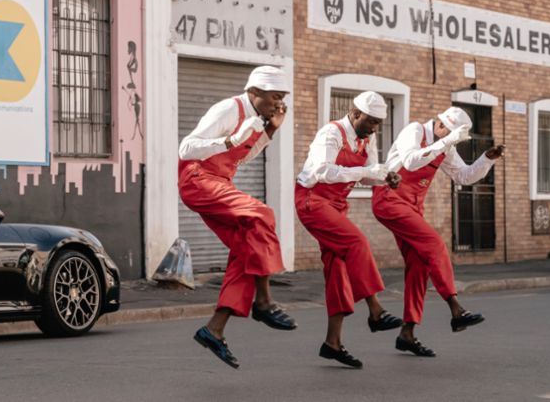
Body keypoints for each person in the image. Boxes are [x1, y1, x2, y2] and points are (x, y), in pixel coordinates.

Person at [179, 66, 296, 370]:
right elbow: (186, 148)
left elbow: (243, 156)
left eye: (282, 98)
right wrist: (229, 141)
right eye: (274, 97)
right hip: (198, 178)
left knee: (247, 249)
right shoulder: (229, 109)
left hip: (220, 182)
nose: (278, 104)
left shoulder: (258, 119)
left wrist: (270, 130)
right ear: (254, 92)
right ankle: (264, 302)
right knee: (263, 213)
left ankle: (214, 330)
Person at [373, 106, 504, 357]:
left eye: (455, 137)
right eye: (451, 134)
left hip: (412, 207)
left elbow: (464, 177)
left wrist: (487, 158)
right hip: (389, 200)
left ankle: (407, 333)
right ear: (441, 125)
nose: (452, 140)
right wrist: (447, 143)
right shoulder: (414, 130)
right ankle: (456, 309)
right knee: (435, 245)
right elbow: (411, 161)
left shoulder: (446, 146)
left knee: (420, 265)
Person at [295, 91, 404, 369]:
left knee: (337, 268)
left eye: (379, 123)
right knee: (357, 242)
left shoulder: (367, 138)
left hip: (336, 204)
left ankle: (332, 343)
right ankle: (376, 310)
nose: (375, 128)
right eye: (371, 122)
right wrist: (367, 172)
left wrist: (383, 177)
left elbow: (368, 173)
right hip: (312, 200)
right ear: (355, 114)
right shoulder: (330, 134)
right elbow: (323, 172)